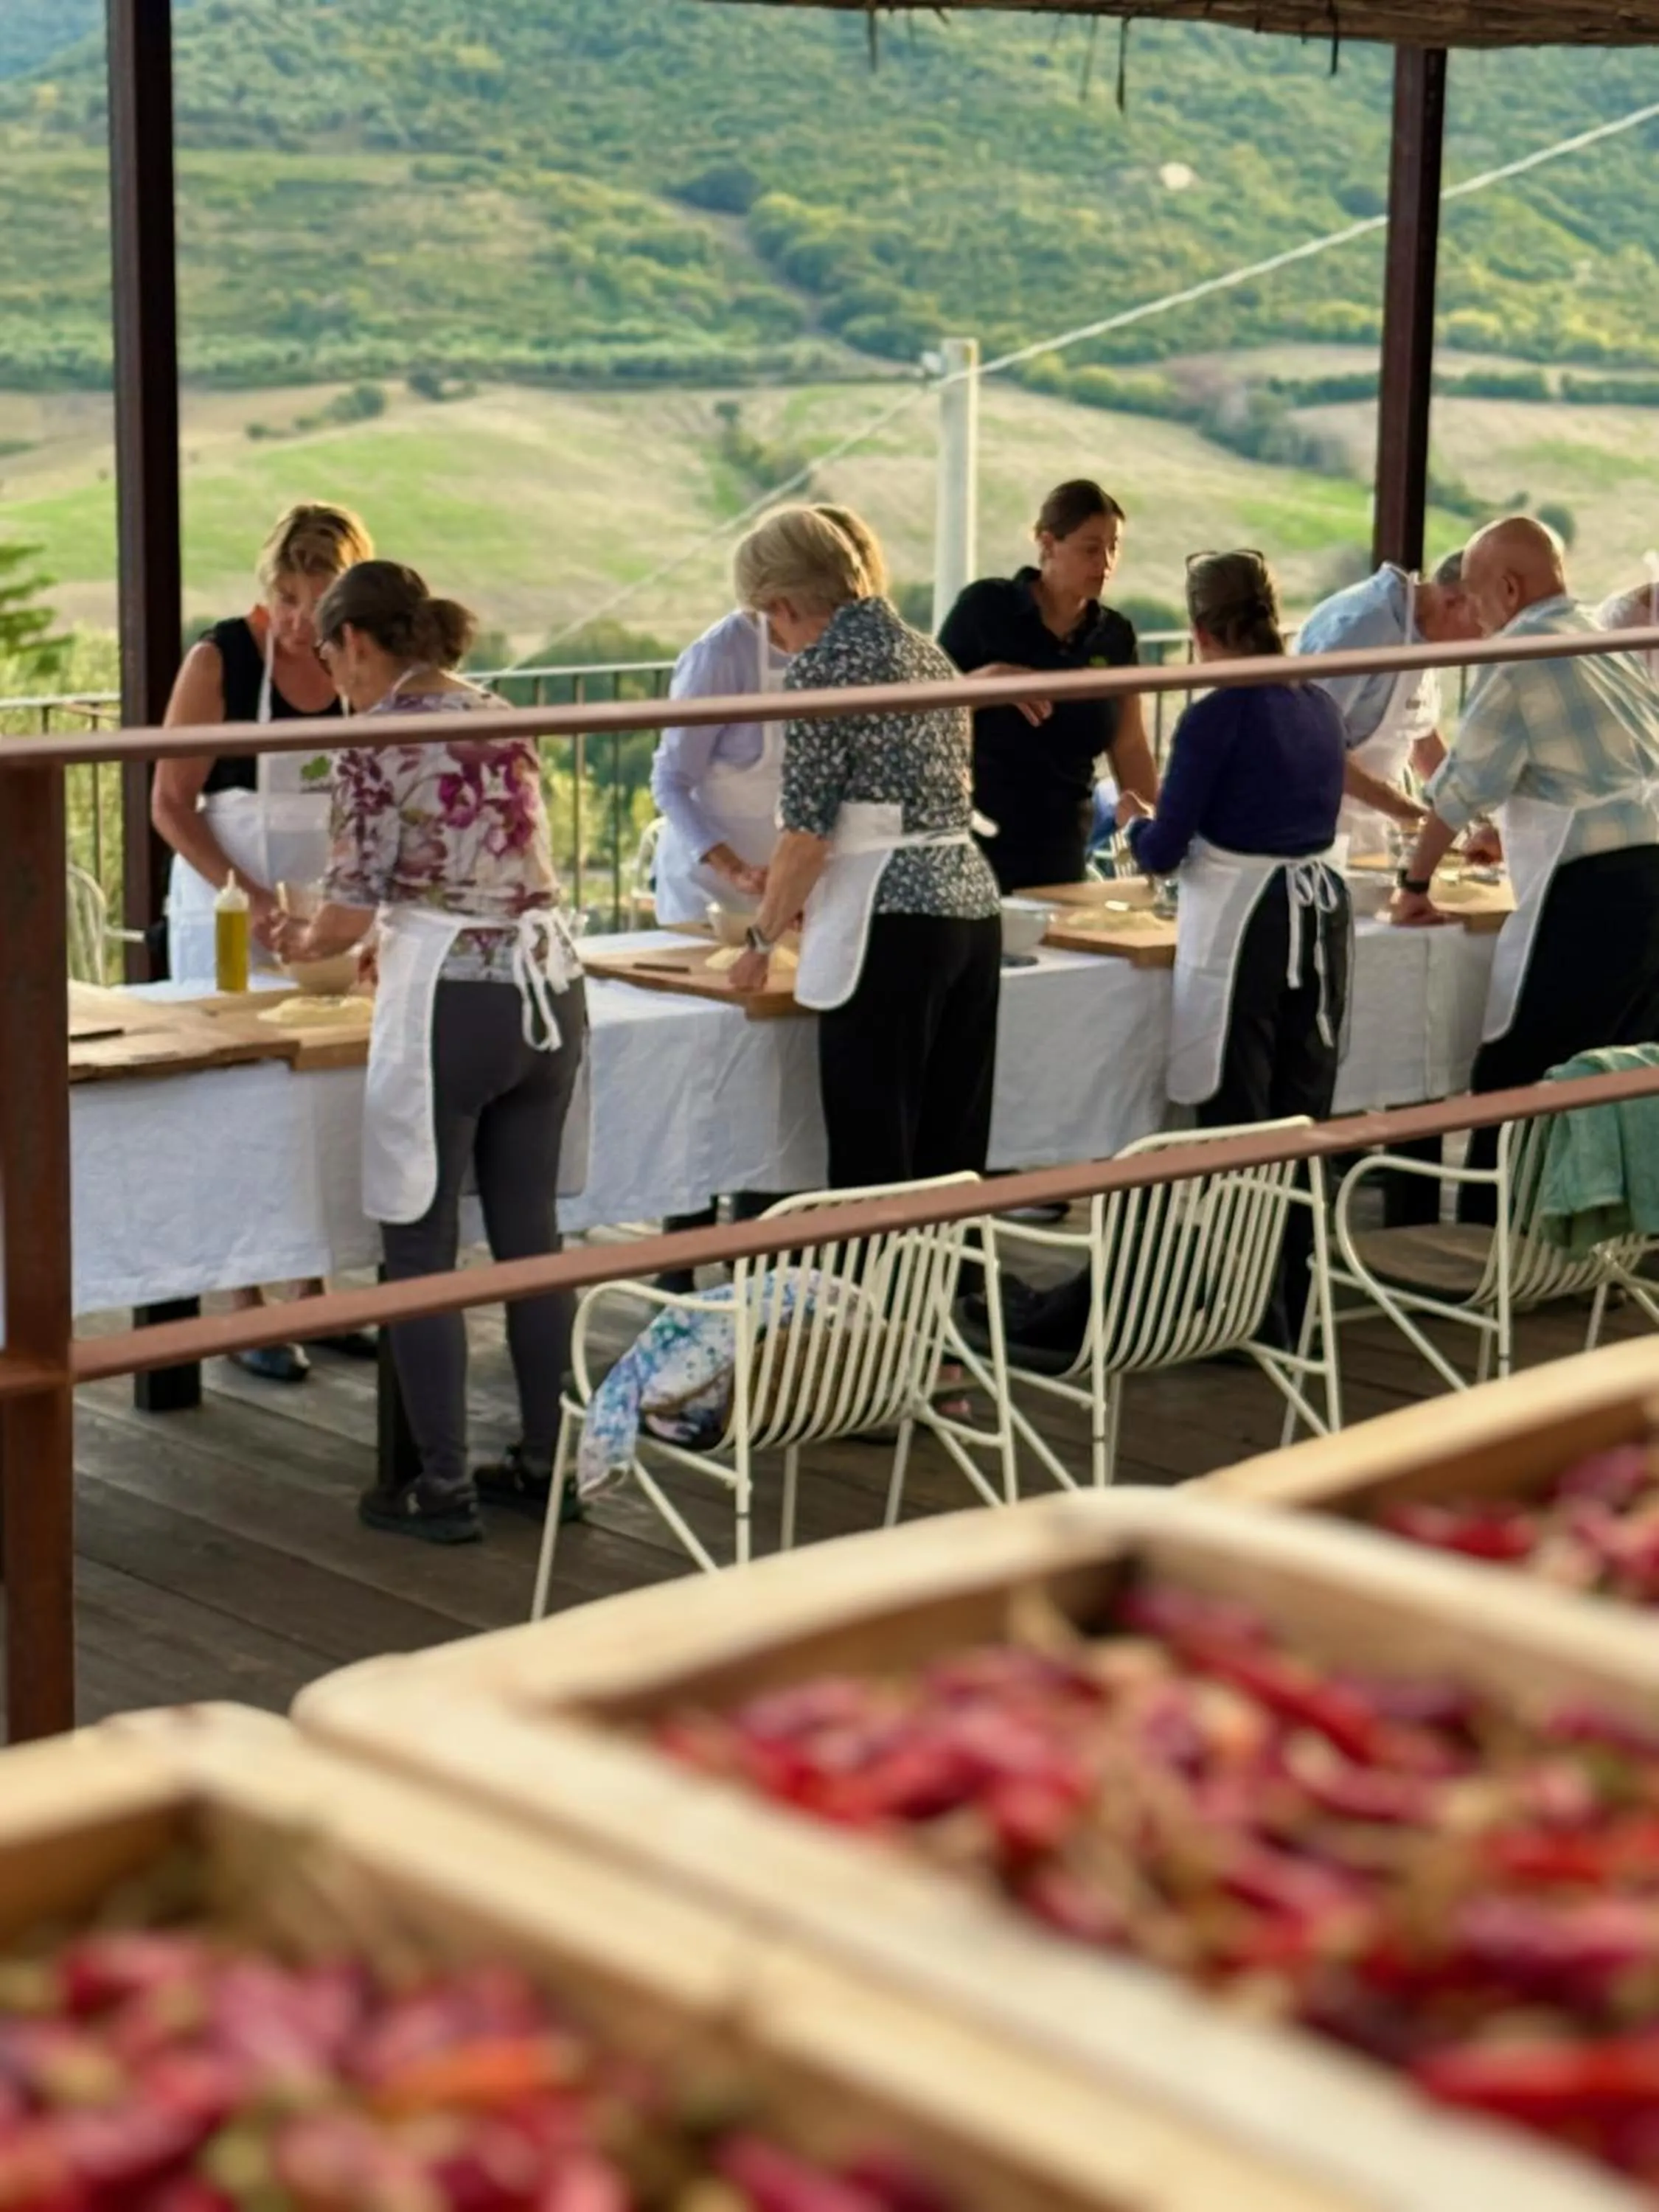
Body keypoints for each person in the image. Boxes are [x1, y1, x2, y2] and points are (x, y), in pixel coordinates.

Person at [274, 562, 587, 1545]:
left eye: (331, 661)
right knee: (531, 1241)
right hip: (551, 989)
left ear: (356, 643)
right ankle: (549, 1462)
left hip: (453, 1000)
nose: (335, 681)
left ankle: (442, 1485)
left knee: (418, 1241)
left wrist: (304, 940)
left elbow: (352, 902)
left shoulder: (374, 733)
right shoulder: (494, 707)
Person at [984, 552, 1350, 1363]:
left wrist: (1137, 827)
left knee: (1236, 1120)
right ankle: (1291, 1300)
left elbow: (1164, 847)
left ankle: (1234, 1303)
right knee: (1298, 1116)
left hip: (1247, 930)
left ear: (1198, 633)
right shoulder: (1318, 702)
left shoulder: (1218, 715)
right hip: (1319, 920)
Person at [152, 500, 376, 1385]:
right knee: (235, 1099)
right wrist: (250, 902)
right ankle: (241, 1308)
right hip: (228, 916)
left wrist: (343, 916)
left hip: (320, 920)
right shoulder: (221, 658)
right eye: (285, 594)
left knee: (314, 1092)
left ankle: (310, 1288)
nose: (294, 618)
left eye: (314, 600)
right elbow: (171, 803)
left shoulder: (357, 666)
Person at [725, 506, 1003, 1189]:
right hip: (970, 901)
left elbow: (808, 833)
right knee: (950, 1145)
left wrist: (759, 942)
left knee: (874, 1149)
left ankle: (874, 1294)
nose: (775, 637)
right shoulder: (925, 653)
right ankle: (951, 1290)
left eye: (768, 619)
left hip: (894, 917)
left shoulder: (824, 669)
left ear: (784, 602)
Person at [648, 508, 888, 1284]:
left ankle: (758, 1239)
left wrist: (793, 884)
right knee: (700, 1067)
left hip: (793, 890)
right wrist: (725, 863)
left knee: (769, 1066)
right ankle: (681, 1251)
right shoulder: (722, 654)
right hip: (707, 893)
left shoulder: (838, 653)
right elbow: (671, 779)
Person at [1395, 518, 1659, 1113]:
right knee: (1615, 1071)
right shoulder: (1601, 641)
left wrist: (1413, 883)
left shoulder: (1520, 655)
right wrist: (1500, 831)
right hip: (1651, 870)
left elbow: (1460, 785)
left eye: (1473, 592)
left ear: (1510, 590)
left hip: (1598, 890)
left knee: (1517, 1077)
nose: (1472, 612)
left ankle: (1500, 1206)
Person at [938, 481, 1158, 893]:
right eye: (1091, 549)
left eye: (1114, 547)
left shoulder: (1115, 635)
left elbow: (1130, 746)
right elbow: (923, 712)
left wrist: (1156, 845)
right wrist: (987, 683)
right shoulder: (985, 608)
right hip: (975, 834)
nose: (1106, 562)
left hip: (1064, 843)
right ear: (1047, 543)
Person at [1295, 549, 1484, 858]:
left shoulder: (1422, 630)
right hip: (1318, 827)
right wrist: (1416, 817)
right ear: (1453, 602)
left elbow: (1420, 736)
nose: (1488, 638)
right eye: (1485, 623)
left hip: (1373, 830)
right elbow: (1315, 748)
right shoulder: (1361, 629)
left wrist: (1468, 816)